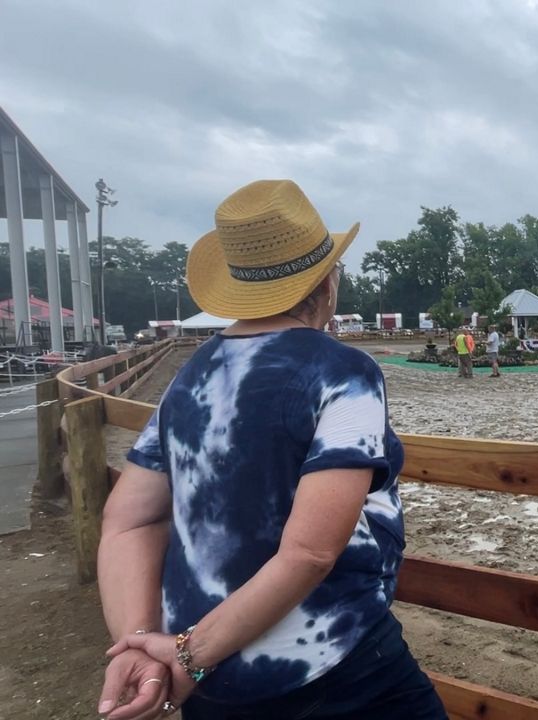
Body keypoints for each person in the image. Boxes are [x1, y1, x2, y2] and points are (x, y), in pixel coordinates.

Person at [96, 180, 448, 720]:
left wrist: (144, 647)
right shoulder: (343, 371)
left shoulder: (189, 376)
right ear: (327, 284)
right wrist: (188, 659)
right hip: (330, 655)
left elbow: (127, 522)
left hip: (213, 678)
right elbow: (311, 552)